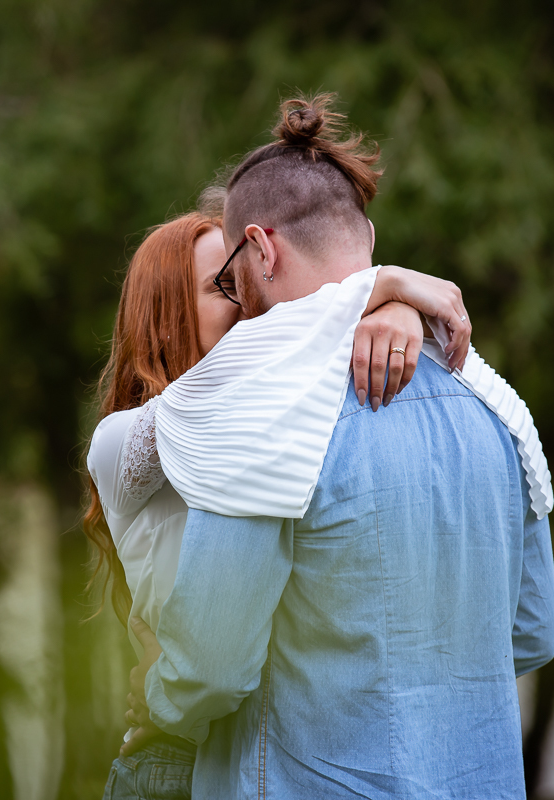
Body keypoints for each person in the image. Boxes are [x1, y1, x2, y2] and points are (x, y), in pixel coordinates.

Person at [123, 93, 554, 799]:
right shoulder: (494, 408)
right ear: (369, 236)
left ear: (261, 247)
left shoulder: (267, 410)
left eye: (232, 281)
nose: (238, 307)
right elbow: (534, 632)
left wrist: (159, 702)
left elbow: (214, 664)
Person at [86, 206, 473, 796]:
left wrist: (392, 314)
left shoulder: (277, 417)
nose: (251, 304)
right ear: (163, 321)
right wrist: (382, 287)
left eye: (249, 282)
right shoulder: (123, 443)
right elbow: (248, 373)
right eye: (224, 288)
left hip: (272, 760)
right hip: (173, 766)